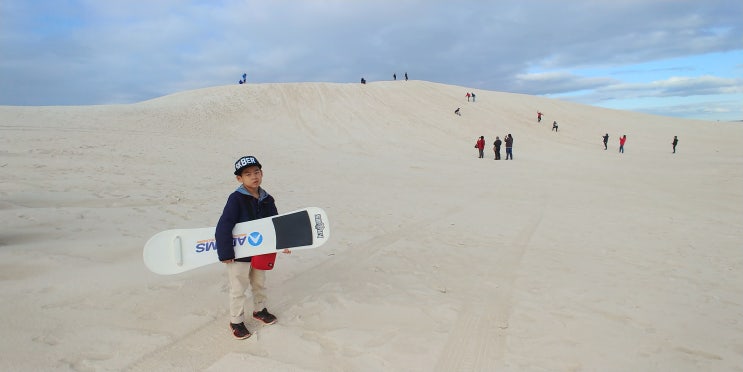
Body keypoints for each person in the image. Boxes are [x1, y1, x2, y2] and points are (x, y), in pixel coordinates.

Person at [216, 155, 291, 340]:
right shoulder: (236, 199)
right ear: (239, 179)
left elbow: (275, 223)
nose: (253, 176)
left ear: (262, 173)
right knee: (238, 287)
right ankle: (236, 321)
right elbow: (224, 225)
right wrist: (226, 252)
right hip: (238, 253)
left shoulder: (267, 199)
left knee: (259, 283)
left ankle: (259, 310)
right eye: (247, 174)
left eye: (256, 172)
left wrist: (283, 242)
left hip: (261, 251)